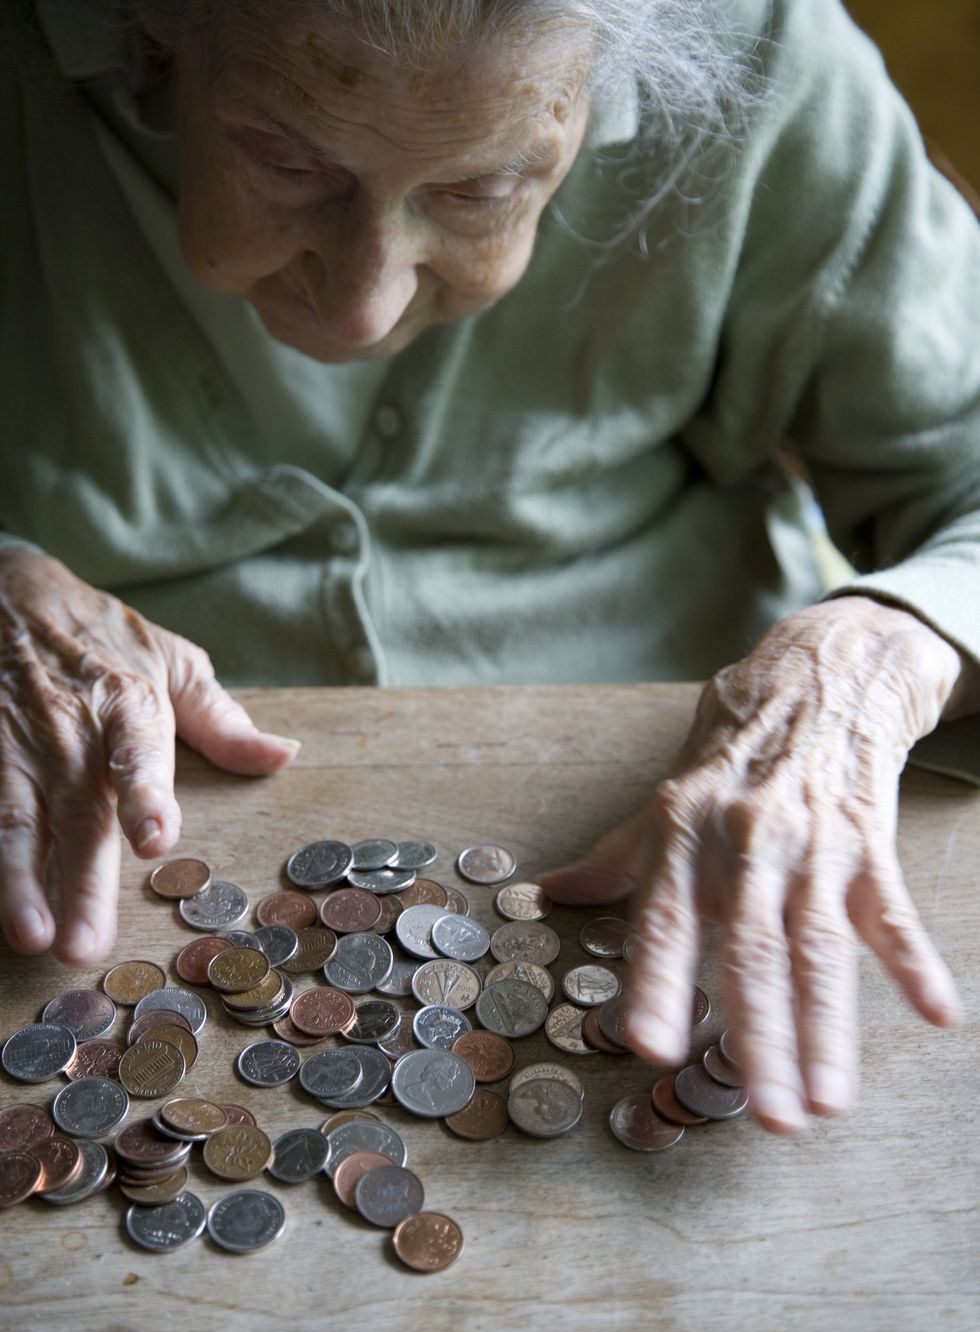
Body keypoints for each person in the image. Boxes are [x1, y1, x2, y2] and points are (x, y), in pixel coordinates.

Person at [2, 0, 978, 1133]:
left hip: (693, 871)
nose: (366, 306)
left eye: (480, 188)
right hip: (91, 881)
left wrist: (872, 653)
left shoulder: (762, 51)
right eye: (284, 158)